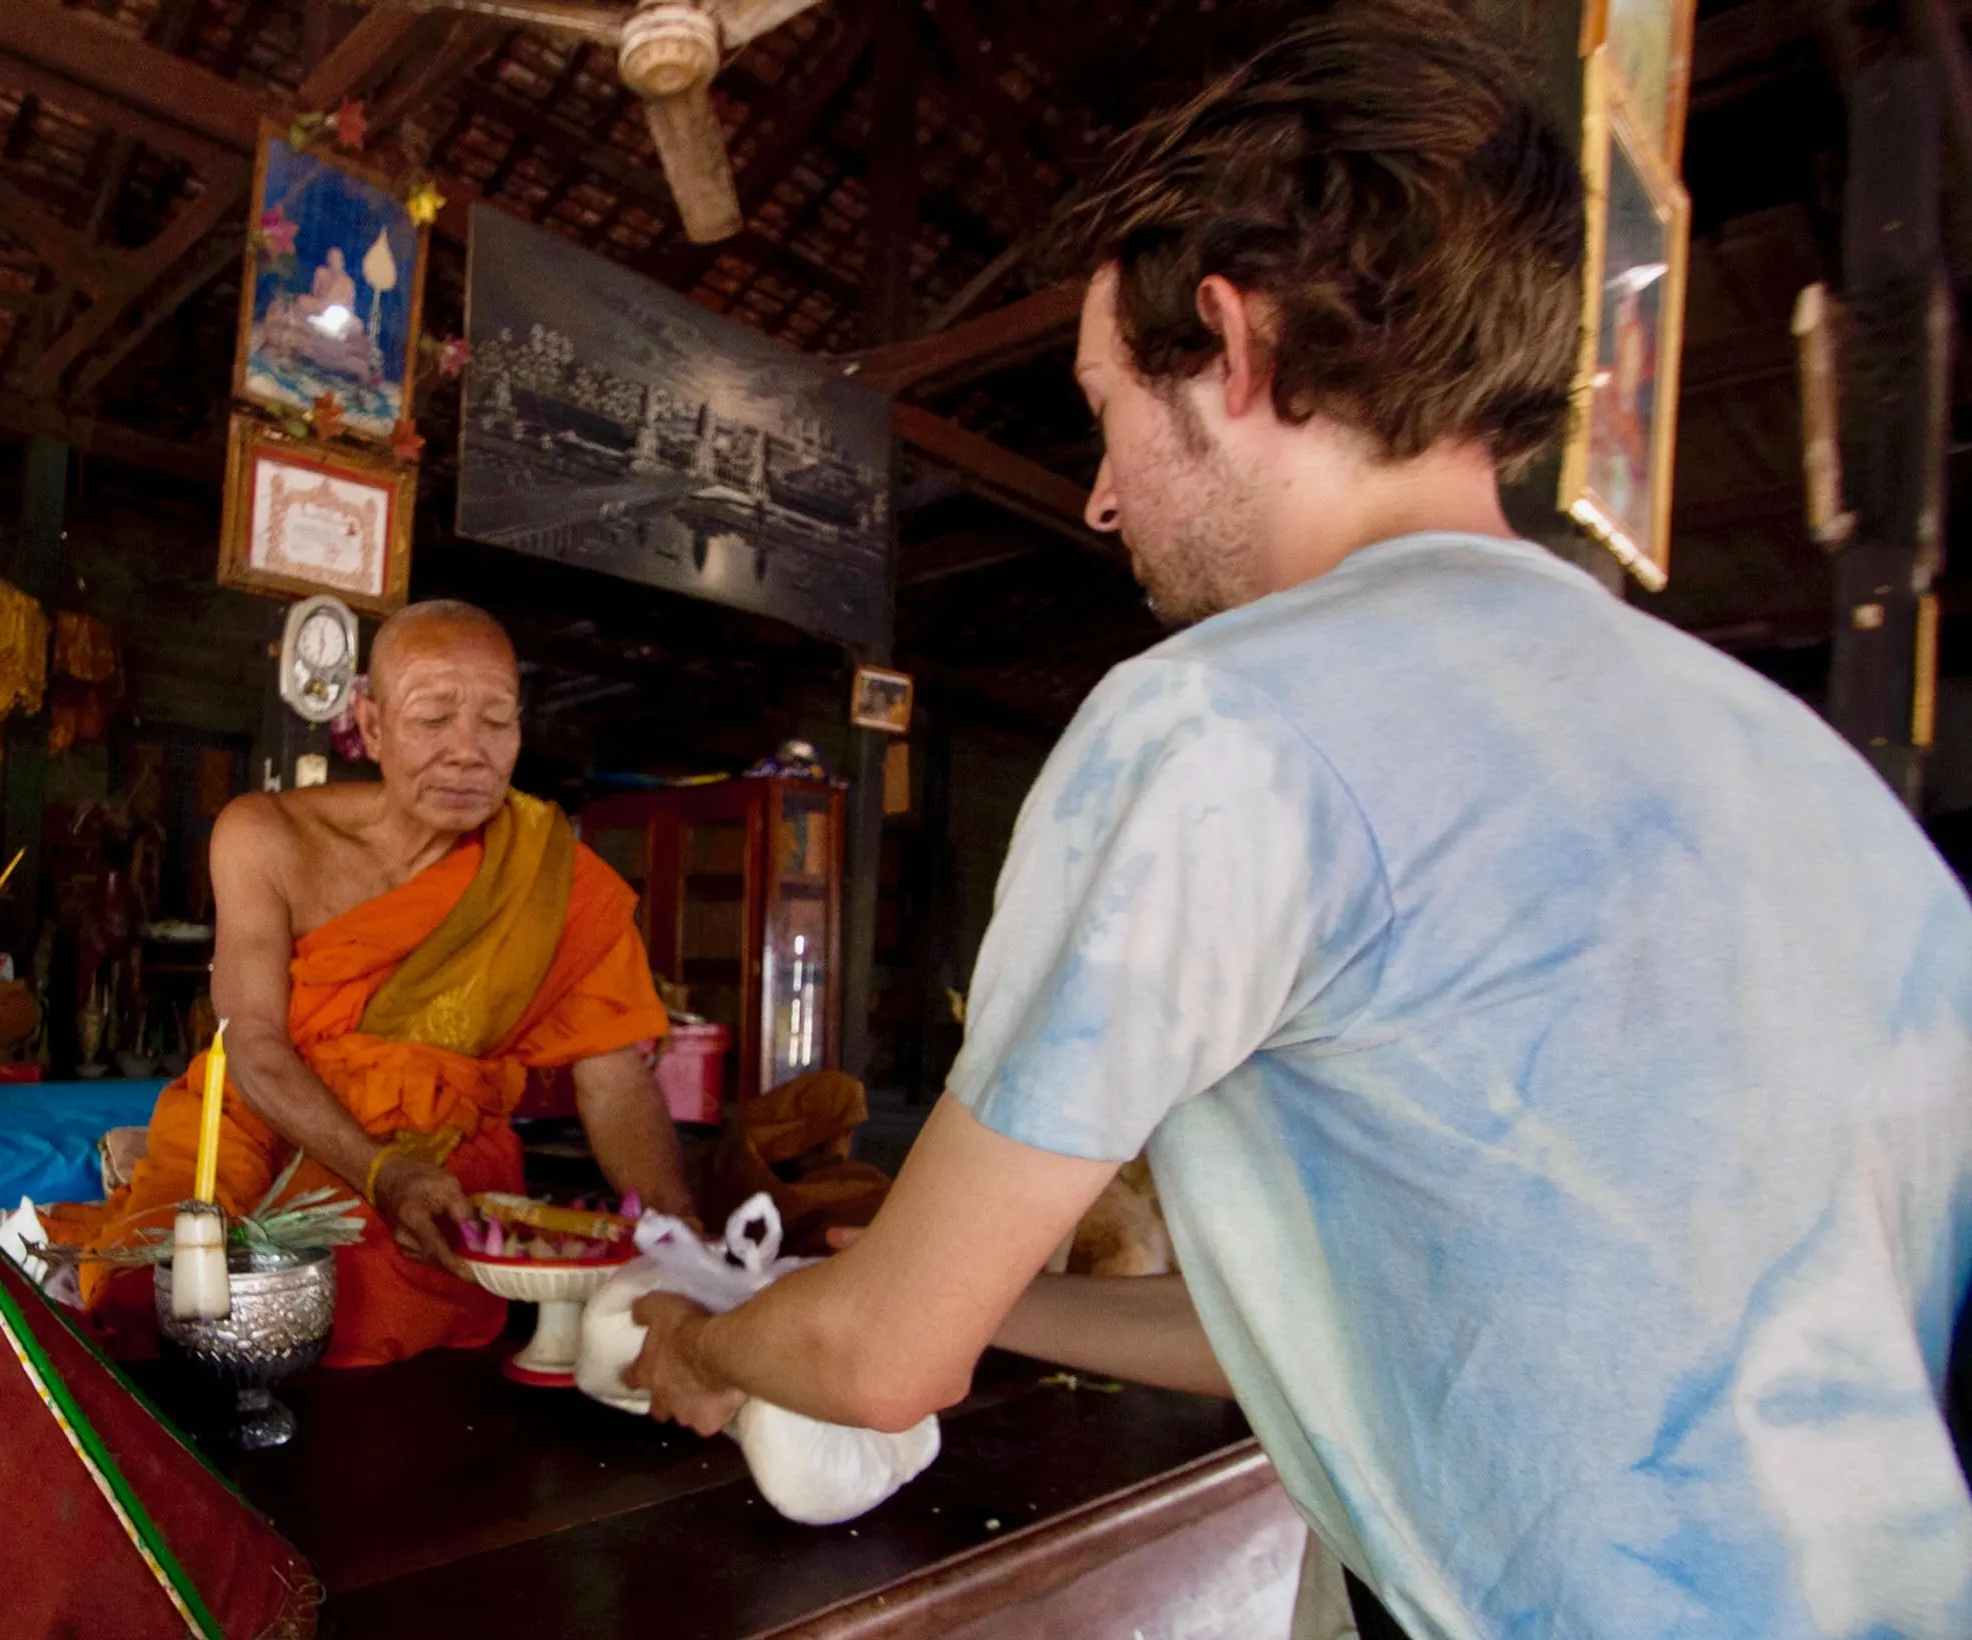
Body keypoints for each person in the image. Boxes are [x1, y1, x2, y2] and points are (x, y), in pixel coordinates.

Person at [624, 8, 1972, 1638]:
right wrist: (975, 1301)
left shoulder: (1221, 725)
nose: (1103, 494)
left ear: (1233, 343)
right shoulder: (1823, 789)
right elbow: (1350, 1318)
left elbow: (878, 1359)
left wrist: (704, 1345)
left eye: (1106, 406)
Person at [59, 600, 693, 1367]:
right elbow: (251, 1039)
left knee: (363, 1318)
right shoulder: (267, 836)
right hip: (259, 1119)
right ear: (370, 720)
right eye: (433, 718)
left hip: (441, 1157)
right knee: (154, 1298)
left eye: (496, 721)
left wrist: (682, 1248)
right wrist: (378, 1173)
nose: (469, 752)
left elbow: (616, 1081)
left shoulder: (551, 877)